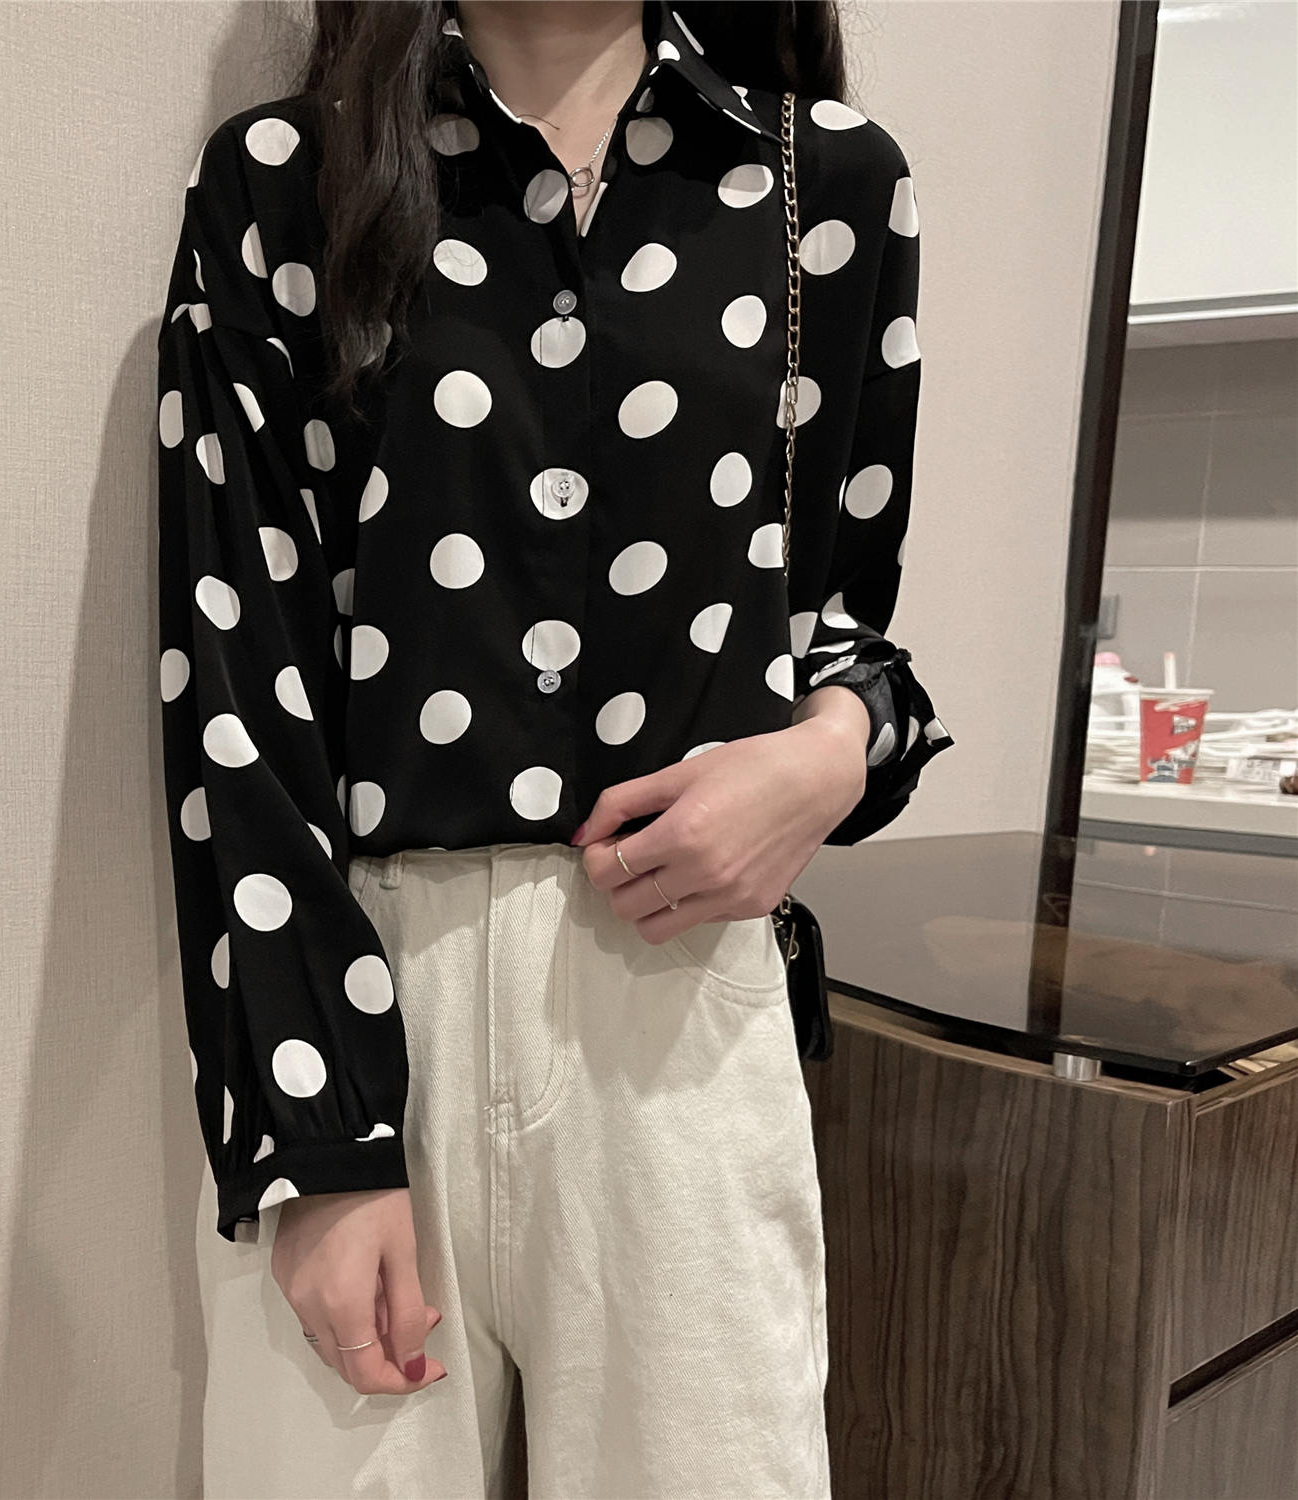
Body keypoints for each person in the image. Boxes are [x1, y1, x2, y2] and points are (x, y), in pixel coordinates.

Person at [155, 2, 953, 1495]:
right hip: (367, 989)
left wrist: (836, 753)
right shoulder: (286, 183)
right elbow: (234, 686)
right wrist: (318, 1134)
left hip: (684, 1003)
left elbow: (843, 616)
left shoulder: (823, 184)